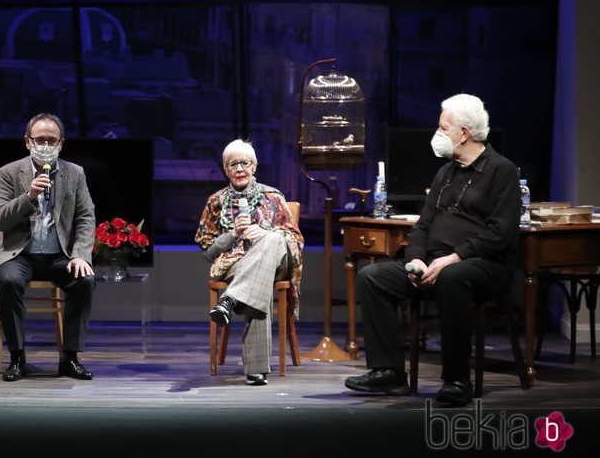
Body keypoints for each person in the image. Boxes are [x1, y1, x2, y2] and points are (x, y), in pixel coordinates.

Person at [345, 93, 520, 406]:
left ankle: (456, 379)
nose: (437, 135)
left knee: (453, 277)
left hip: (483, 264)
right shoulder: (445, 172)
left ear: (464, 133)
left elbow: (500, 233)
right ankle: (389, 371)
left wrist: (452, 259)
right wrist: (414, 261)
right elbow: (423, 226)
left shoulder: (501, 170)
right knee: (372, 276)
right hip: (434, 264)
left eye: (443, 128)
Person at [0, 113, 97, 382]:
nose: (45, 145)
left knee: (84, 281)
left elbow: (86, 217)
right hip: (19, 253)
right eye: (40, 140)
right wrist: (29, 197)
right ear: (28, 142)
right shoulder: (9, 172)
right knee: (9, 280)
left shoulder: (75, 173)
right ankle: (17, 357)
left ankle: (70, 357)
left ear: (61, 143)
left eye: (52, 140)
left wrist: (81, 255)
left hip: (58, 255)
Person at [195, 139, 304, 386]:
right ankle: (256, 371)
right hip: (237, 266)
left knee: (275, 238)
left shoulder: (273, 196)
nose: (239, 168)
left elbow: (296, 241)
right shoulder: (216, 201)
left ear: (254, 166)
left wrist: (264, 234)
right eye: (233, 164)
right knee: (259, 279)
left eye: (245, 163)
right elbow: (208, 252)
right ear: (226, 170)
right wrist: (232, 234)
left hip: (278, 263)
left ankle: (230, 299)